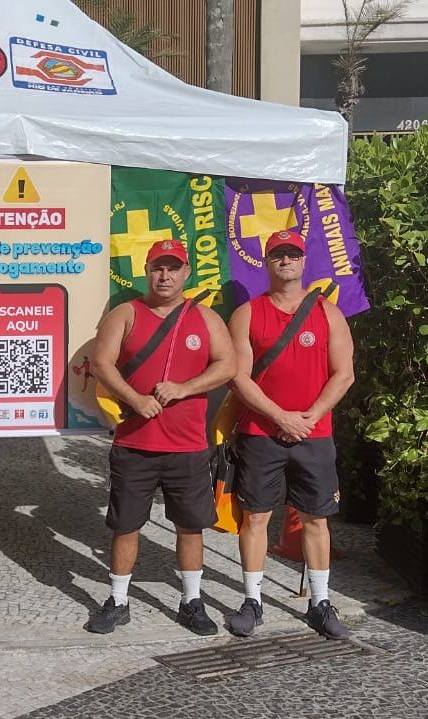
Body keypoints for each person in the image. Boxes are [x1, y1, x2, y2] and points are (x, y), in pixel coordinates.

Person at [86, 239, 235, 636]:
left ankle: (192, 601)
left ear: (186, 273)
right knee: (125, 525)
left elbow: (228, 365)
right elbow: (101, 363)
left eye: (173, 268)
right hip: (135, 444)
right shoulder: (125, 314)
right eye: (157, 267)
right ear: (147, 271)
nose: (164, 276)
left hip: (188, 445)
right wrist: (134, 398)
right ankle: (118, 601)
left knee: (190, 526)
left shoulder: (205, 318)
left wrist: (185, 388)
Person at [226, 230, 355, 639]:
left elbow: (344, 374)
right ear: (267, 262)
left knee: (316, 518)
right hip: (260, 432)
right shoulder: (247, 314)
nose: (286, 260)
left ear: (303, 261)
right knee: (255, 517)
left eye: (292, 254)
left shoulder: (328, 313)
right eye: (278, 254)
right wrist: (280, 417)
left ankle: (320, 603)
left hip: (314, 434)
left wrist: (310, 417)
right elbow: (238, 377)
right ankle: (252, 601)